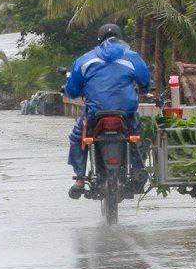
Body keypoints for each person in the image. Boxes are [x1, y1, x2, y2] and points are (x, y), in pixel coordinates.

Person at [64, 23, 152, 198]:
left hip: (95, 116)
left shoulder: (85, 60)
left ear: (99, 39)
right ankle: (138, 170)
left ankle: (80, 179)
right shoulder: (131, 57)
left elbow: (72, 90)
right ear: (119, 38)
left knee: (77, 137)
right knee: (141, 136)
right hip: (125, 114)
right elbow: (145, 82)